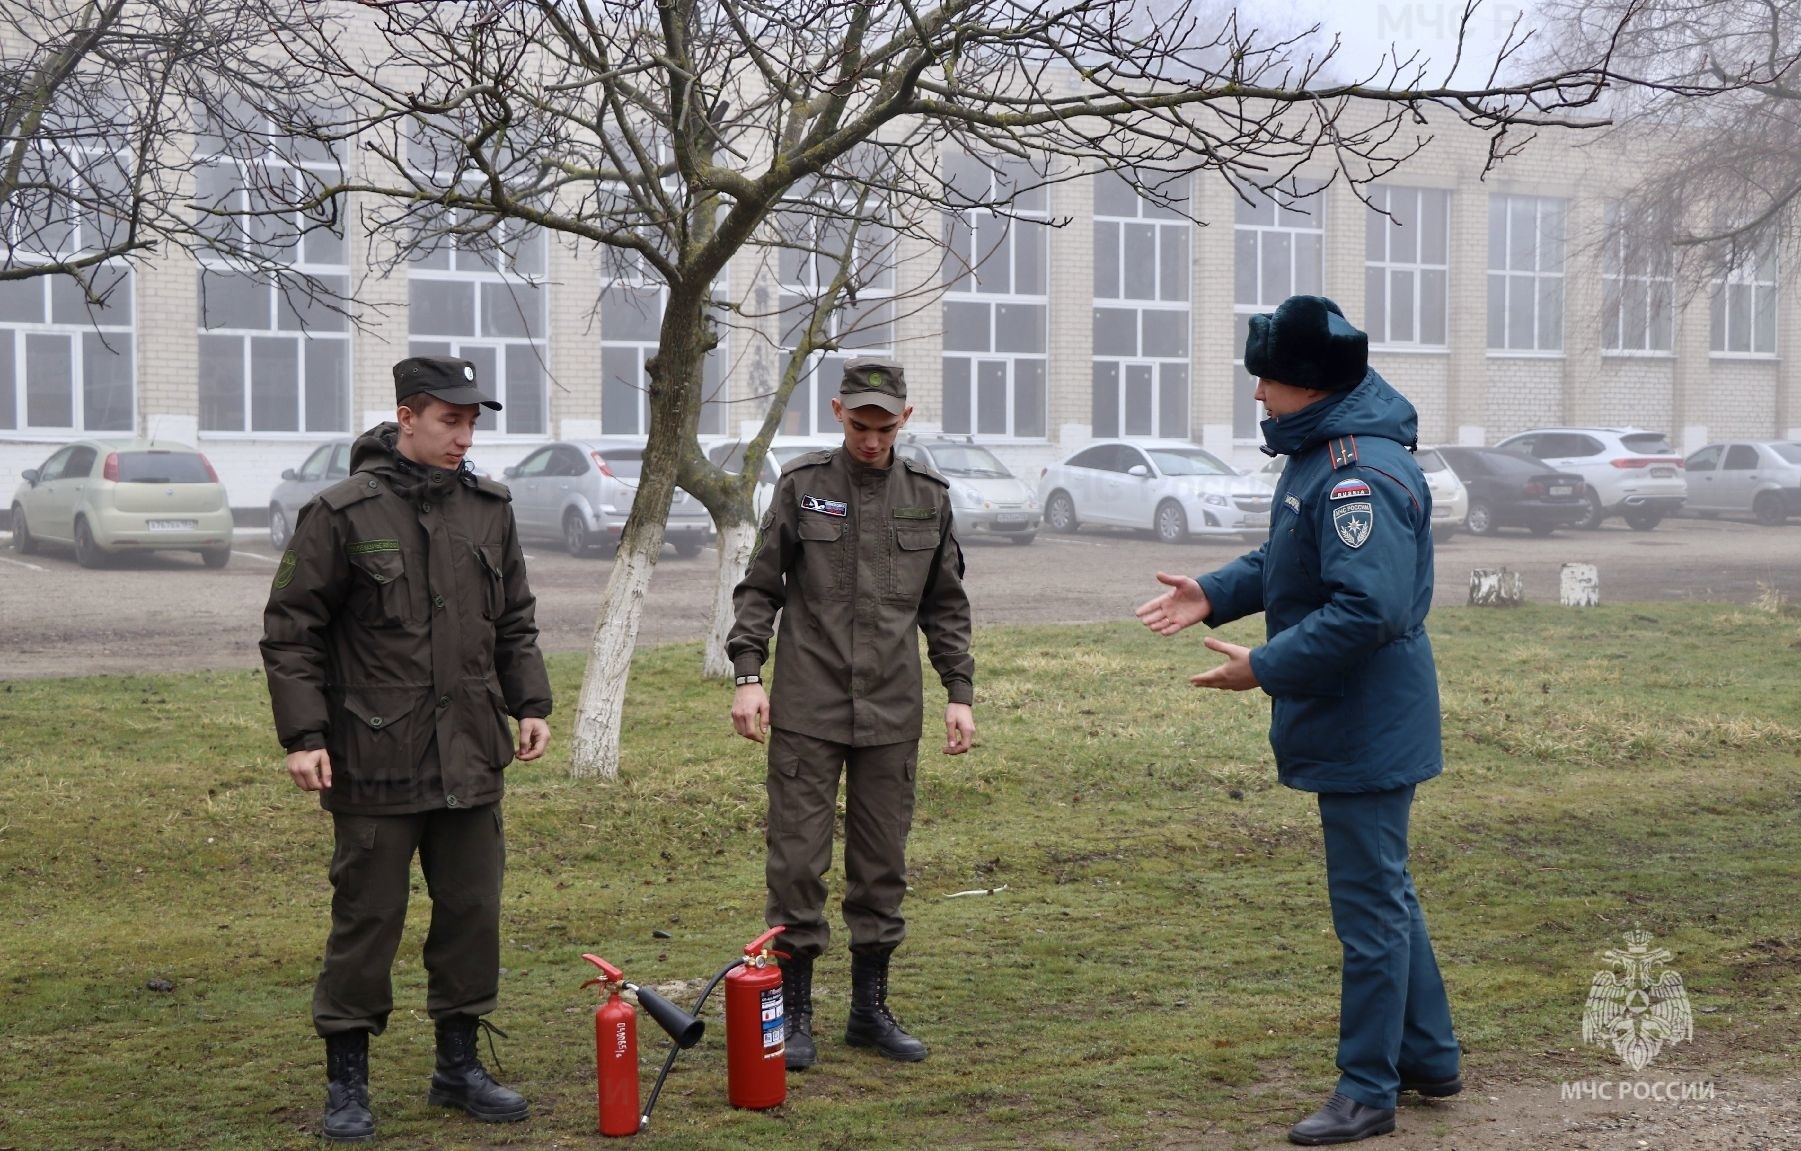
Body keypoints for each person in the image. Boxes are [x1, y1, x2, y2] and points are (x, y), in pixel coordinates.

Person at [1135, 296, 1461, 1146]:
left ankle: (1367, 1088)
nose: (1257, 398)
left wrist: (1264, 667)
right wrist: (1214, 592)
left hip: (1365, 718)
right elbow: (1289, 557)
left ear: (1309, 385)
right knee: (1384, 888)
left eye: (1267, 382)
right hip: (1356, 714)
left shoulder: (1358, 472)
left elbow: (1367, 609)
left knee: (1369, 905)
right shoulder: (1321, 452)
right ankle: (1429, 1054)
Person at [261, 355, 552, 1143]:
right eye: (450, 420)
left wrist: (530, 701)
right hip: (373, 756)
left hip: (469, 755)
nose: (464, 436)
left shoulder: (489, 508)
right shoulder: (341, 512)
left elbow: (514, 617)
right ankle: (347, 1083)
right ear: (408, 416)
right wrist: (304, 735)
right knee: (368, 918)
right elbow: (292, 632)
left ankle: (457, 1067)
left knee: (471, 913)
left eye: (471, 422)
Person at [727, 357, 976, 1071]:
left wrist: (958, 691)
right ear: (837, 412)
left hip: (893, 710)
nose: (871, 439)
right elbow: (759, 586)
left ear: (905, 417)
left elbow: (945, 604)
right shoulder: (803, 487)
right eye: (860, 424)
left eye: (885, 425)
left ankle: (869, 1010)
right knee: (797, 863)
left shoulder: (926, 495)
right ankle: (797, 1011)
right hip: (807, 705)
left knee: (880, 865)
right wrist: (749, 673)